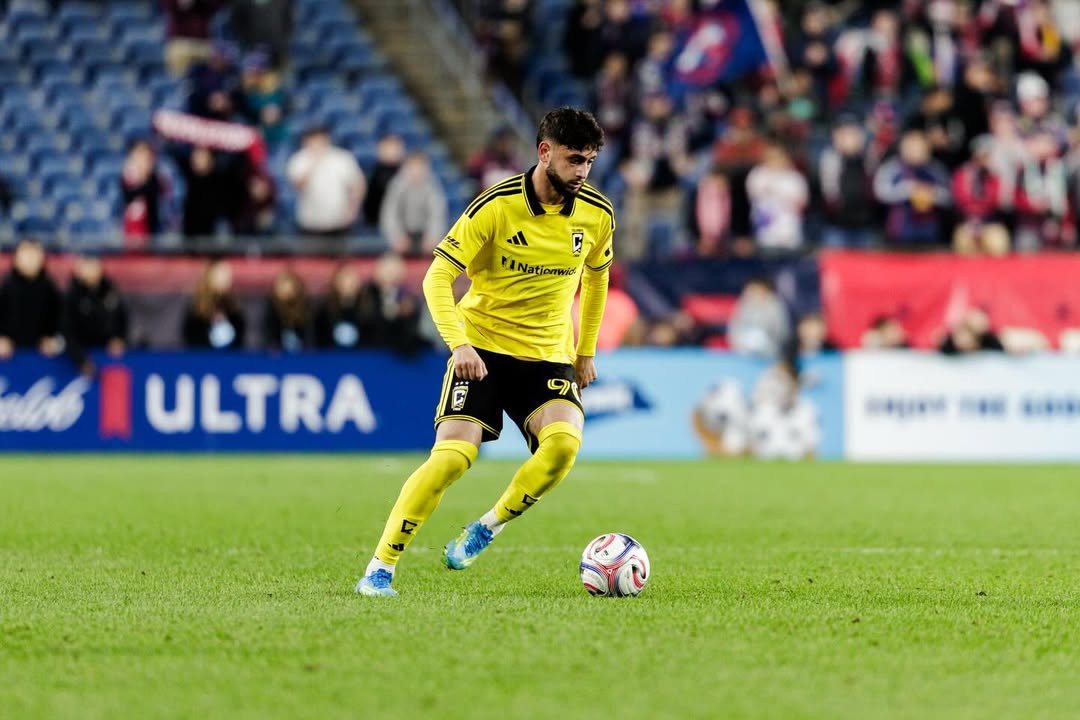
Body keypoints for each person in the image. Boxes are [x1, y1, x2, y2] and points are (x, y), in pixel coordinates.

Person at [356, 108, 615, 597]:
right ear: (545, 152)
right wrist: (459, 344)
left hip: (547, 355)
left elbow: (597, 278)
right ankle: (379, 568)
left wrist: (586, 351)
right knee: (452, 459)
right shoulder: (495, 206)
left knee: (564, 446)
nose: (583, 171)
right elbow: (436, 276)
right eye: (574, 160)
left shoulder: (597, 214)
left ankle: (487, 526)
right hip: (483, 349)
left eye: (590, 161)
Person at [286, 127, 366, 238]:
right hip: (310, 224)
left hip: (339, 223)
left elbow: (358, 185)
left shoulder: (342, 158)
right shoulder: (298, 159)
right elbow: (298, 186)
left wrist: (353, 210)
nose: (317, 143)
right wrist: (314, 163)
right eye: (313, 139)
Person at [62, 252, 129, 376]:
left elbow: (123, 320)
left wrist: (119, 339)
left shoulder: (111, 292)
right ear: (78, 269)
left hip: (108, 358)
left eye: (94, 265)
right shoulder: (71, 297)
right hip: (82, 356)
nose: (91, 270)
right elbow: (68, 332)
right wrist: (81, 359)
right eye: (87, 265)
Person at [0, 240, 63, 360]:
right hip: (10, 355)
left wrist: (54, 339)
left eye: (34, 254)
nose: (30, 259)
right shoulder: (5, 286)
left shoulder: (50, 287)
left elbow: (60, 319)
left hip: (42, 355)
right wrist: (2, 338)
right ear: (16, 259)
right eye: (26, 254)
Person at [378, 152, 448, 257]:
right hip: (402, 234)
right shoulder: (397, 184)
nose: (417, 170)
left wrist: (433, 236)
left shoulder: (433, 185)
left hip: (425, 234)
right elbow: (390, 214)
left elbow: (437, 214)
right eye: (413, 166)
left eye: (420, 167)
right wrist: (396, 236)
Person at [181, 259, 247, 349]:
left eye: (227, 274)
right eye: (220, 274)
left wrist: (226, 322)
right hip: (203, 353)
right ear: (210, 276)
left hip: (229, 354)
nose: (225, 278)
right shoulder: (197, 305)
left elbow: (240, 333)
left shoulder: (233, 304)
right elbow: (191, 335)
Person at [263, 268, 309, 352]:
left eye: (289, 284)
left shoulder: (305, 309)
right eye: (282, 285)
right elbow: (268, 339)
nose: (286, 289)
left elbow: (310, 339)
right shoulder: (271, 310)